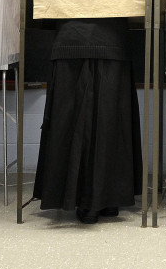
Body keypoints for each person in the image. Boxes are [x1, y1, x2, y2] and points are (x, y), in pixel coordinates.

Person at [32, 18, 142, 224]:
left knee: (71, 122)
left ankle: (82, 200)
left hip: (71, 39)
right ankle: (108, 199)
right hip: (112, 39)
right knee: (112, 121)